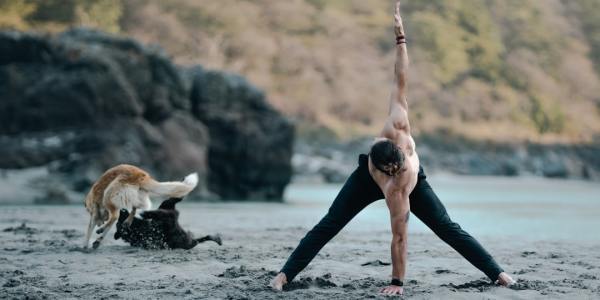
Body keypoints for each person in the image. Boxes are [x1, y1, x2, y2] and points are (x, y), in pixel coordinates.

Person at [270, 1, 515, 296]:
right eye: (392, 171)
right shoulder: (386, 173)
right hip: (367, 180)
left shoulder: (399, 133)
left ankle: (498, 273)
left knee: (447, 227)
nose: (396, 172)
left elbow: (401, 76)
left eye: (399, 166)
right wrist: (396, 282)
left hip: (413, 184)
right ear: (383, 167)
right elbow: (398, 238)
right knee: (330, 223)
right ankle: (285, 274)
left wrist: (401, 39)